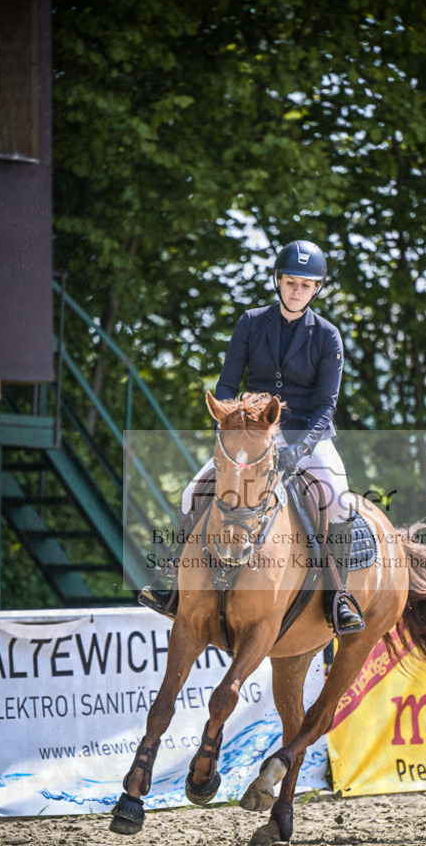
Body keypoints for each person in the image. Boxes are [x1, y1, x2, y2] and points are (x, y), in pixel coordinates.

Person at [140, 239, 364, 633]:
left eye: (305, 285)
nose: (296, 290)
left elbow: (326, 405)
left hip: (307, 436)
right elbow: (227, 384)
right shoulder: (250, 323)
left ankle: (337, 595)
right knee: (192, 491)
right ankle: (172, 581)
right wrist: (230, 427)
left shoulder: (328, 336)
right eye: (290, 282)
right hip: (253, 435)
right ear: (278, 281)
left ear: (317, 289)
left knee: (338, 500)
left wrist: (299, 449)